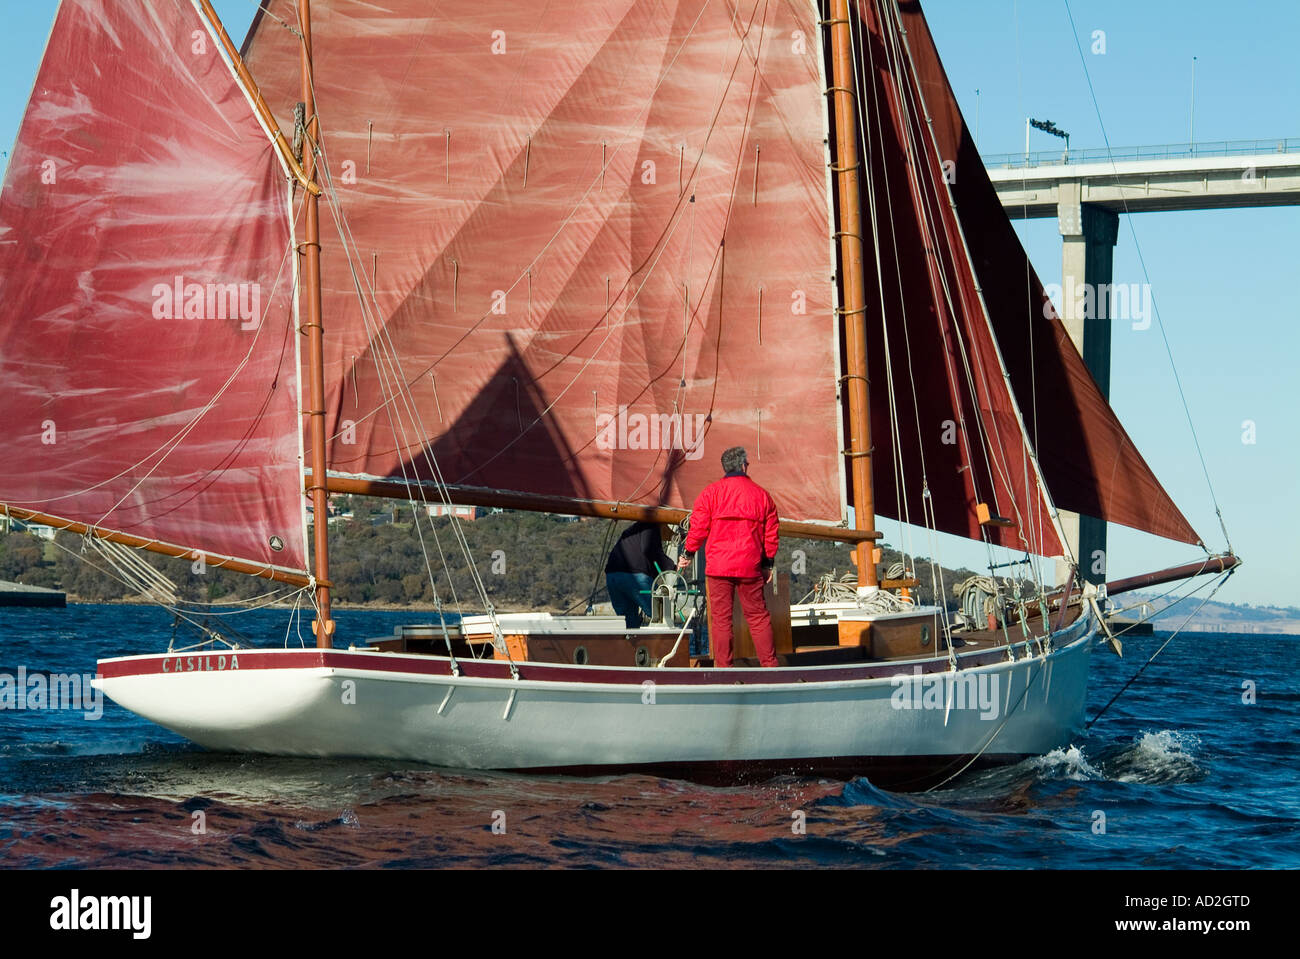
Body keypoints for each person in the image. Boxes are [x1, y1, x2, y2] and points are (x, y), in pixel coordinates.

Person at [677, 446, 779, 667]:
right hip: (749, 565)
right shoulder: (762, 495)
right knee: (758, 617)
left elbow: (698, 529)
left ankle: (724, 669)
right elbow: (770, 533)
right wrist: (768, 563)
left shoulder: (710, 494)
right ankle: (770, 667)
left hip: (718, 567)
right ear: (743, 466)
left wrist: (687, 554)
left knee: (721, 621)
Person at [605, 521, 674, 629]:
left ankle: (629, 645)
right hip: (635, 577)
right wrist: (671, 566)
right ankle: (666, 645)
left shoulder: (632, 530)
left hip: (612, 576)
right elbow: (648, 548)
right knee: (662, 615)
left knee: (627, 622)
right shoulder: (651, 525)